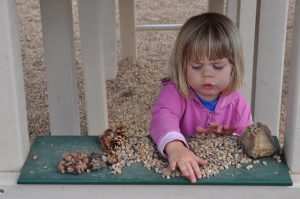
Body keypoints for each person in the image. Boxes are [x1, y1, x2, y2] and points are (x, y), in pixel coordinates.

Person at [150, 12, 253, 183]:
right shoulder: (175, 93)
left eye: (218, 66)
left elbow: (249, 140)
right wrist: (175, 147)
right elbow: (163, 116)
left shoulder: (237, 103)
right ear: (182, 65)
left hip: (224, 177)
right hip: (181, 174)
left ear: (233, 67)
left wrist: (233, 137)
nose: (207, 74)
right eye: (197, 66)